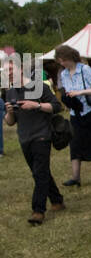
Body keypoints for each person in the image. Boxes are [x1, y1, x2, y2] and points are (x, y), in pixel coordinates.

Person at [3, 75, 64, 223]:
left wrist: (36, 105)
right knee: (40, 171)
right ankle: (57, 200)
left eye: (12, 68)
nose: (8, 73)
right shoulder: (10, 92)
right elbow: (10, 122)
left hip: (42, 135)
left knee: (39, 173)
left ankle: (38, 211)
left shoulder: (39, 87)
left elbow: (57, 106)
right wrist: (10, 112)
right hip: (24, 138)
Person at [56, 44, 91, 185]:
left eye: (63, 60)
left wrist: (79, 92)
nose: (61, 63)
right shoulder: (63, 74)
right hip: (75, 113)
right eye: (60, 61)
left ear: (69, 57)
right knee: (75, 144)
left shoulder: (85, 69)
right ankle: (76, 177)